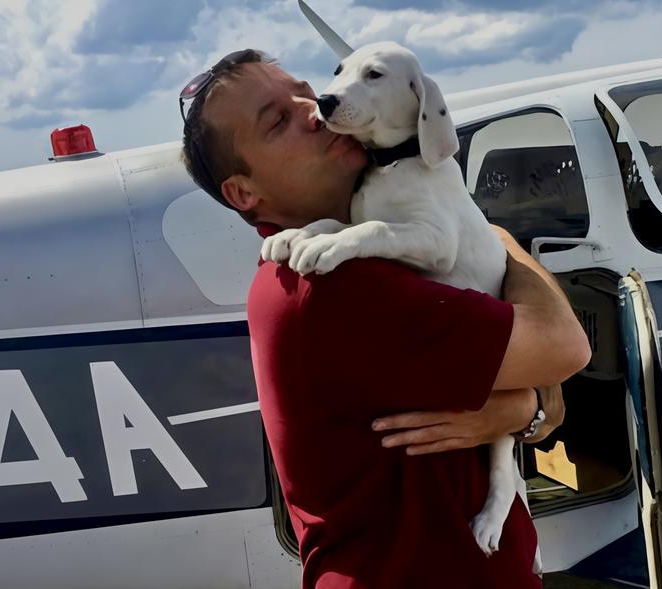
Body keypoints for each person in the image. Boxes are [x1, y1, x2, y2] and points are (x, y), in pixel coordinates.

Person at [179, 49, 591, 588]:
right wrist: (531, 397)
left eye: (305, 90)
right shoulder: (334, 285)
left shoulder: (330, 259)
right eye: (278, 121)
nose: (314, 108)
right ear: (244, 193)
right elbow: (565, 345)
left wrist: (526, 406)